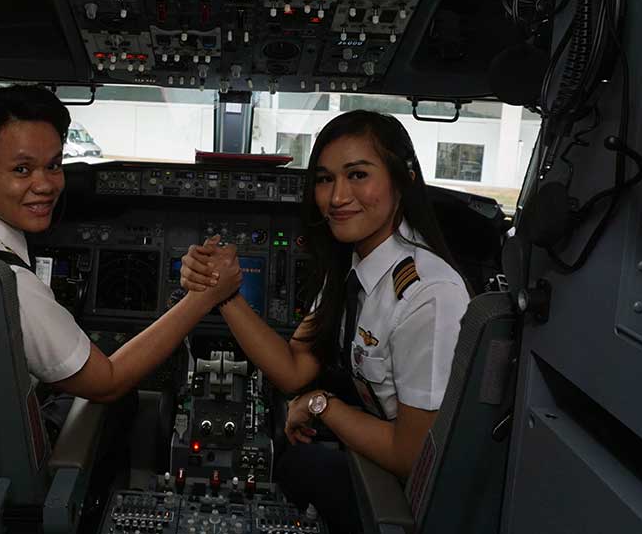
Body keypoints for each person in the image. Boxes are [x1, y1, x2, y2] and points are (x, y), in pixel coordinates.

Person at [179, 111, 469, 533]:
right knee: (291, 457)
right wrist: (223, 294)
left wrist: (321, 406)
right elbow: (294, 369)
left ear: (402, 180)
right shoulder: (354, 266)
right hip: (383, 457)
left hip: (416, 490)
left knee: (296, 463)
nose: (336, 197)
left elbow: (411, 453)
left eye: (357, 175)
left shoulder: (427, 295)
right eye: (324, 179)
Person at [0, 84, 241, 404]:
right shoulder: (8, 282)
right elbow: (107, 383)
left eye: (53, 165)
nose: (46, 185)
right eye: (22, 169)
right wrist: (203, 298)